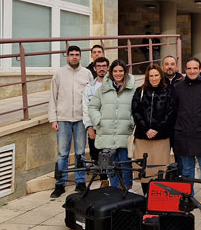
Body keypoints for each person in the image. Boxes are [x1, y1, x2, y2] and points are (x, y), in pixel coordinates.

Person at [48, 45, 94, 198]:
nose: (74, 57)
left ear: (80, 56)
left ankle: (80, 182)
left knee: (80, 153)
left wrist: (91, 120)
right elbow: (52, 98)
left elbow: (92, 98)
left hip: (81, 119)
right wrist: (53, 119)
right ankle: (60, 184)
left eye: (77, 54)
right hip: (63, 119)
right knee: (62, 154)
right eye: (71, 54)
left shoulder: (87, 74)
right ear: (67, 57)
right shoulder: (59, 74)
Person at [173, 57, 201, 206]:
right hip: (183, 134)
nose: (192, 71)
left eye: (195, 68)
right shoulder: (178, 87)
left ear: (200, 69)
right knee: (187, 169)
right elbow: (174, 109)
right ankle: (189, 197)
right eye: (189, 68)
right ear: (185, 70)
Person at [88, 60, 137, 191]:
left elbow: (137, 108)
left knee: (125, 163)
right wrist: (99, 121)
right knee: (111, 164)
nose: (118, 74)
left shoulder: (132, 89)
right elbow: (92, 107)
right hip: (107, 133)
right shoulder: (102, 89)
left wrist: (132, 122)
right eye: (115, 71)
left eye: (121, 71)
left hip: (125, 132)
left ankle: (127, 188)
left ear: (125, 72)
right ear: (111, 72)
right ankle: (114, 189)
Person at [131, 64, 174, 194]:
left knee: (160, 169)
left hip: (161, 138)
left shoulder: (168, 91)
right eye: (151, 76)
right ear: (147, 77)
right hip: (143, 137)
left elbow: (170, 112)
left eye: (156, 75)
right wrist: (146, 129)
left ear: (161, 76)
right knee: (145, 169)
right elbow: (135, 111)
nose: (154, 78)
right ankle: (146, 195)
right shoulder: (140, 91)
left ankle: (158, 197)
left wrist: (157, 129)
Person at [82, 57, 110, 188]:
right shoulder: (89, 88)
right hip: (95, 127)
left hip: (110, 128)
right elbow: (86, 109)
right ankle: (104, 179)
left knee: (111, 154)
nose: (102, 68)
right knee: (96, 155)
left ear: (108, 68)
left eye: (104, 66)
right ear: (94, 68)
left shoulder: (114, 85)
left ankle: (116, 180)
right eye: (99, 66)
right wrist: (89, 127)